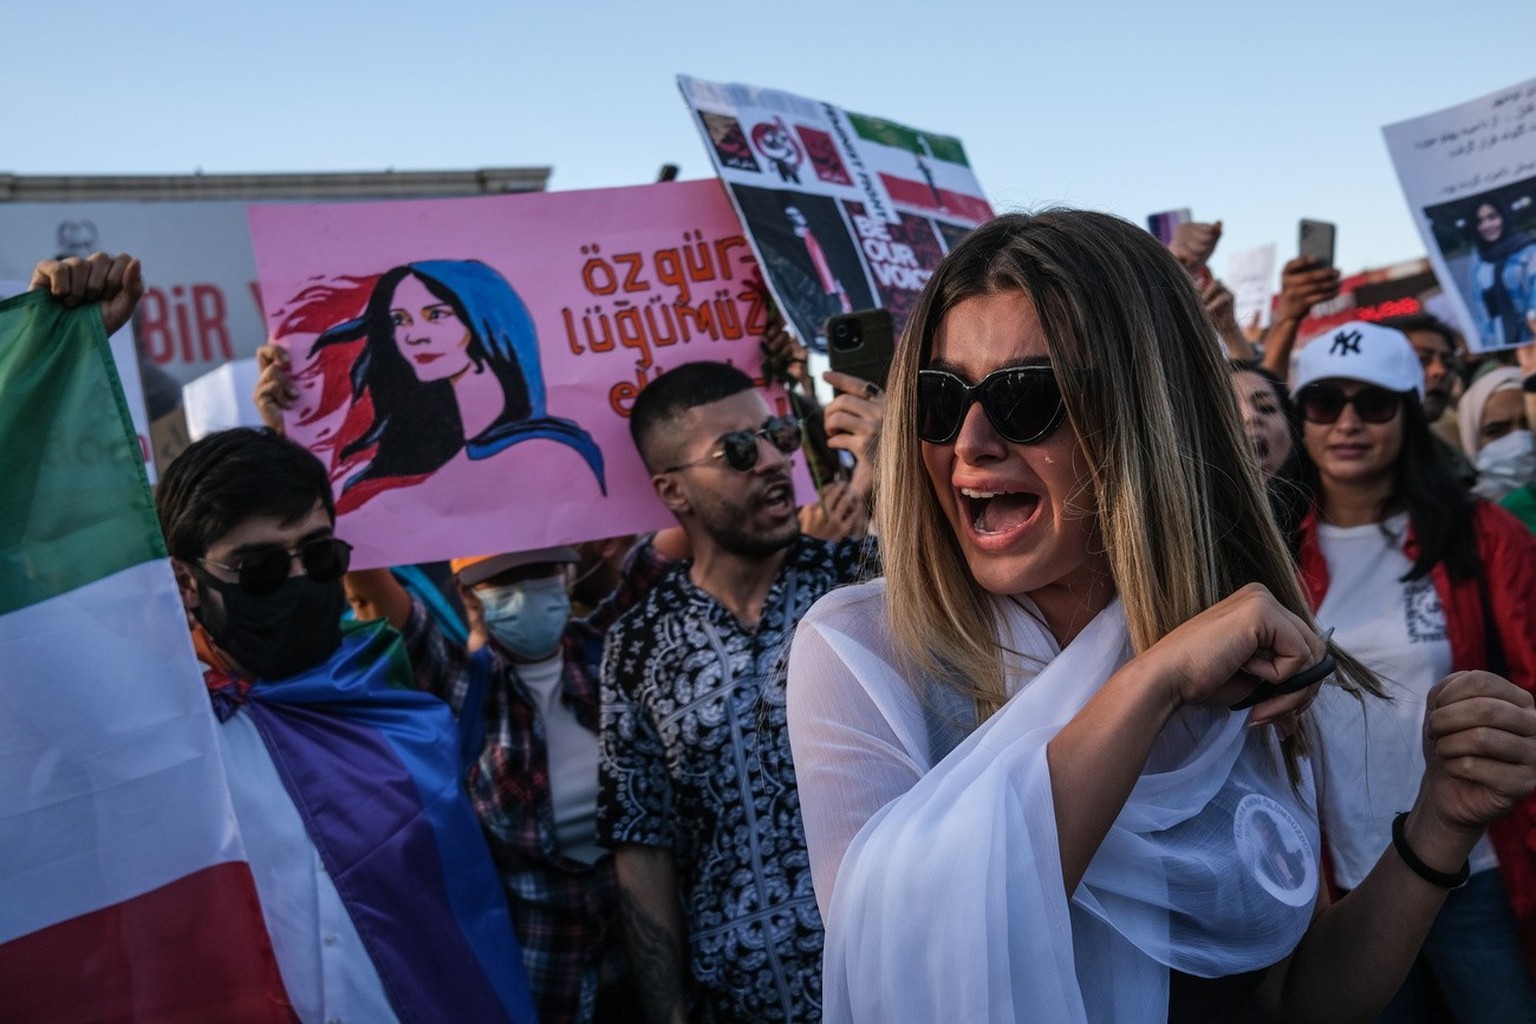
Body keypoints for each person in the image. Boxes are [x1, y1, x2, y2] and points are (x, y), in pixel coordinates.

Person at [783, 212, 1536, 1023]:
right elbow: (907, 971)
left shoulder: (1243, 655)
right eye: (938, 399)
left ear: (1148, 414)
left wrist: (1439, 823)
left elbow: (1295, 998)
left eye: (1027, 395)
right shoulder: (863, 651)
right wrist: (1155, 683)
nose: (970, 441)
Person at [597, 361, 875, 1023]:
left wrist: (889, 464)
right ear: (675, 492)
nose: (776, 462)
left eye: (777, 435)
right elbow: (642, 848)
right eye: (740, 452)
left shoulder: (862, 586)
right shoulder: (637, 646)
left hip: (894, 981)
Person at [1289, 320, 1536, 1021]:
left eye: (1372, 403)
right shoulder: (1267, 551)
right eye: (1323, 401)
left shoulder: (1484, 534)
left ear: (1409, 410)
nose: (1347, 422)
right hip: (1349, 887)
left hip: (1480, 867)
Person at [339, 540, 672, 1024]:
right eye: (506, 583)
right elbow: (382, 605)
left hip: (648, 963)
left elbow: (667, 547)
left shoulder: (609, 651)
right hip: (542, 974)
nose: (529, 594)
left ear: (566, 575)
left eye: (541, 574)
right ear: (470, 596)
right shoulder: (466, 685)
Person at [268, 259, 604, 511]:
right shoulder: (423, 453)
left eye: (436, 314)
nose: (414, 335)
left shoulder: (546, 450)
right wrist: (287, 428)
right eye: (400, 320)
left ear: (481, 319)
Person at [1455, 365, 1534, 504]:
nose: (1519, 442)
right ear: (1472, 443)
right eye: (1496, 431)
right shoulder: (1461, 518)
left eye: (1528, 425)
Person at [1465, 197, 1536, 349]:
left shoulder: (1529, 251)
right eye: (1480, 221)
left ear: (1504, 216)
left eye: (1492, 217)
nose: (1487, 225)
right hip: (1499, 338)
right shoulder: (1478, 259)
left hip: (1530, 336)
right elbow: (1479, 306)